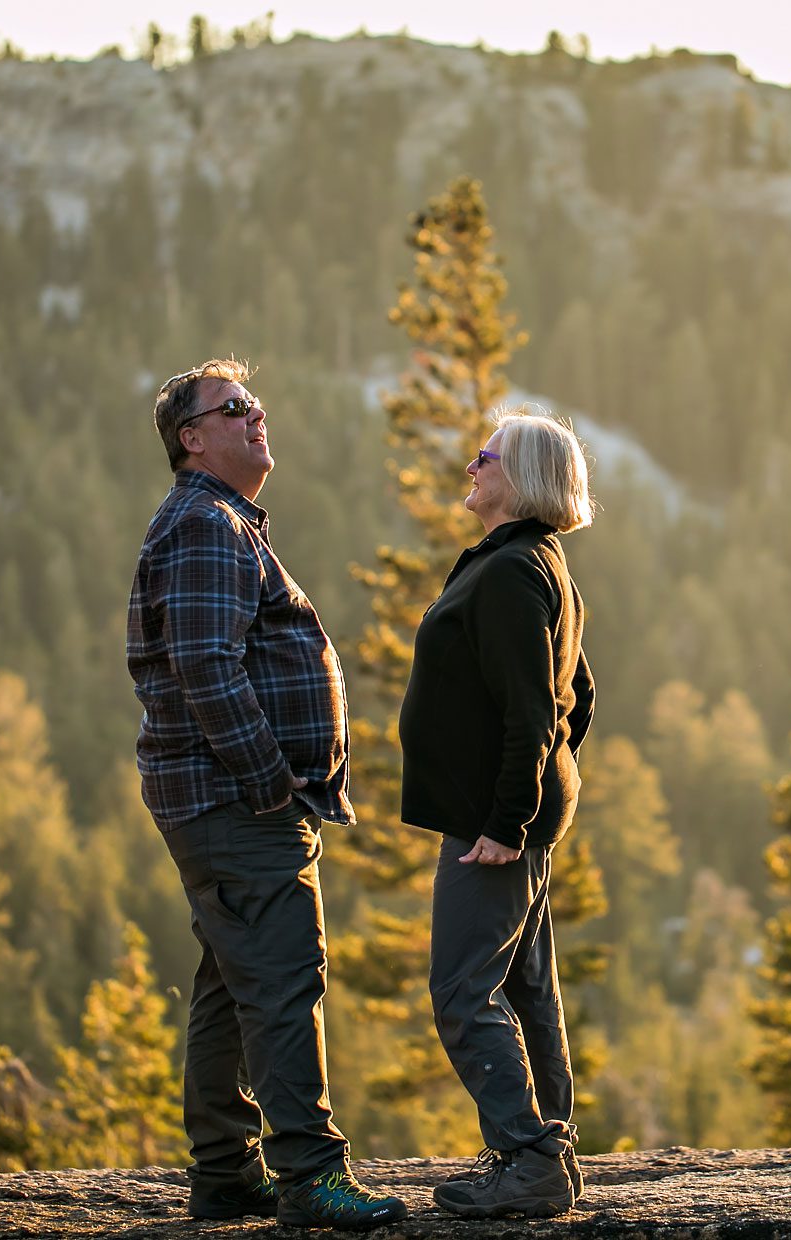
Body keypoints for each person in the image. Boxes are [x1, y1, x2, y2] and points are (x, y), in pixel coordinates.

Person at [127, 358, 407, 1230]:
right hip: (235, 805)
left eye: (255, 404)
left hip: (215, 806)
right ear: (192, 438)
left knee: (230, 983)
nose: (256, 417)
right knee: (285, 978)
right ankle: (310, 1175)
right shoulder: (208, 524)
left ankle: (224, 1172)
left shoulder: (214, 521)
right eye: (233, 408)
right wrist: (266, 783)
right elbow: (206, 666)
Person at [399, 409, 597, 1219]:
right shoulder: (535, 565)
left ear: (525, 480)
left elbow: (534, 711)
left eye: (490, 455)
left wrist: (507, 819)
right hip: (513, 820)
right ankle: (551, 1151)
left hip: (494, 830)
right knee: (525, 992)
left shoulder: (515, 571)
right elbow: (576, 700)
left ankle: (528, 1157)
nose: (472, 463)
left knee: (462, 991)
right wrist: (543, 793)